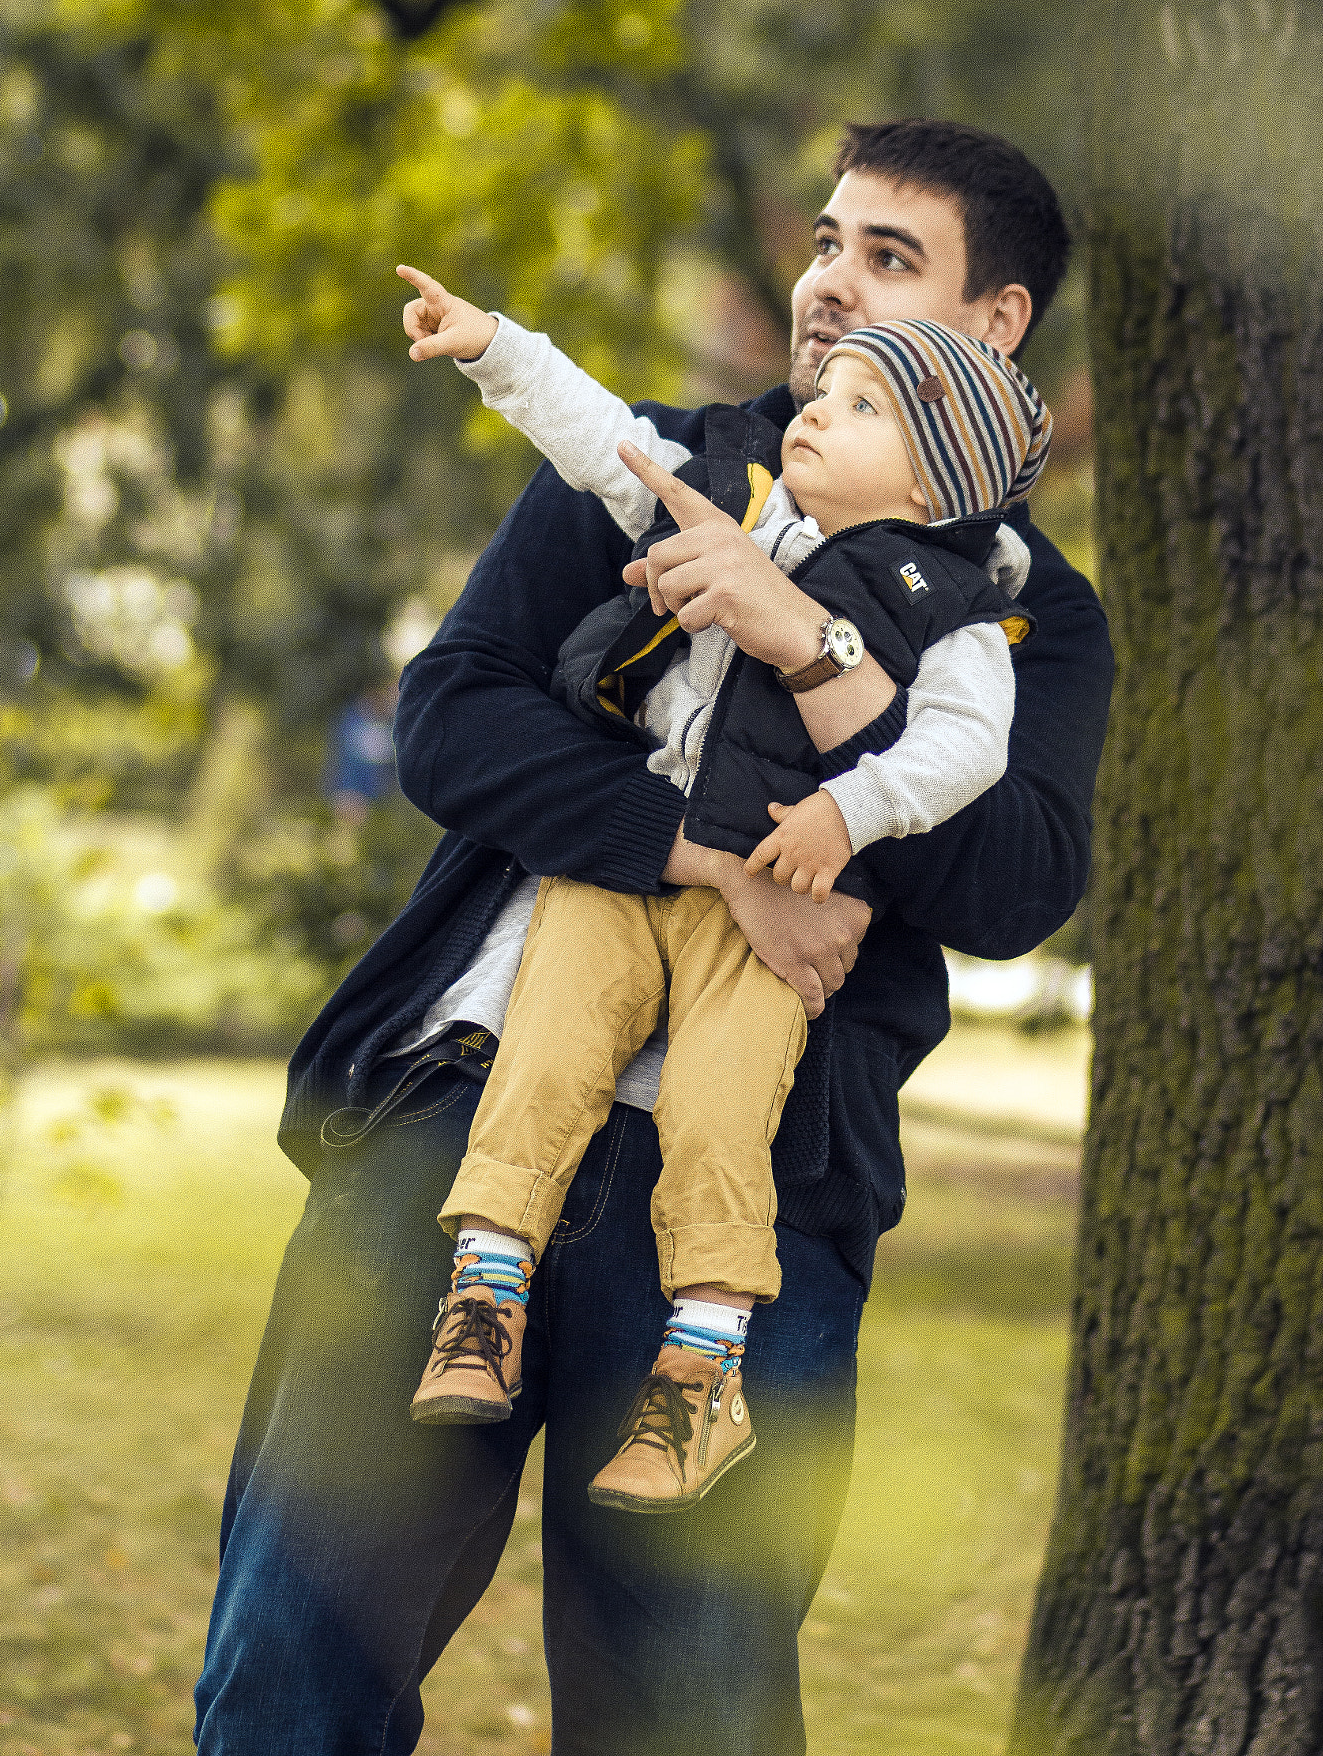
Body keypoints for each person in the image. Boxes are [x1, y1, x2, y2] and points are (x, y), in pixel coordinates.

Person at [194, 119, 1113, 1756]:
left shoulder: (1024, 604)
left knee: (686, 1712)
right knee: (286, 1669)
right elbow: (455, 717)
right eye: (830, 240)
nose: (832, 280)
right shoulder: (647, 459)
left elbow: (1010, 877)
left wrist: (811, 644)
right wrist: (722, 859)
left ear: (997, 327)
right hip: (460, 1117)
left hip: (748, 1195)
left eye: (891, 257)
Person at [393, 286, 1050, 1517]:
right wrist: (497, 347)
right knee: (544, 1051)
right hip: (630, 869)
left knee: (717, 1108)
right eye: (828, 387)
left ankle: (700, 1373)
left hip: (779, 905)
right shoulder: (737, 498)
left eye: (864, 405)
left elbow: (966, 755)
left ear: (937, 485)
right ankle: (485, 1288)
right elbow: (604, 443)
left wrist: (851, 812)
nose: (817, 411)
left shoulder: (956, 613)